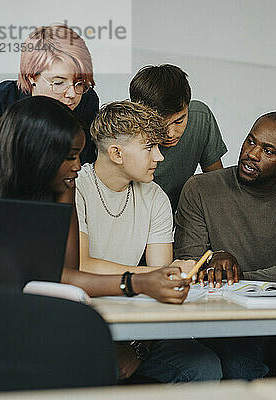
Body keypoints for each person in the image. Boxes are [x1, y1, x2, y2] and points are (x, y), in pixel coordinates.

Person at [0, 95, 197, 381]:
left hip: (37, 322)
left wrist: (140, 282)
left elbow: (67, 276)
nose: (78, 165)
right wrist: (140, 281)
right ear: (35, 151)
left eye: (79, 154)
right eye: (70, 156)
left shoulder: (64, 186)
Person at [174, 110, 276, 379]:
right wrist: (214, 259)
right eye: (251, 141)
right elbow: (189, 262)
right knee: (241, 359)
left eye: (268, 151)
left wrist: (238, 279)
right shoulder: (200, 188)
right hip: (223, 321)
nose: (253, 154)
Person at [75, 100, 222, 383]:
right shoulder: (77, 186)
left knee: (203, 366)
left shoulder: (154, 197)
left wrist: (138, 349)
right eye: (149, 148)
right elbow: (82, 265)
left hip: (132, 325)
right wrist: (156, 276)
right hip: (80, 321)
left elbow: (161, 287)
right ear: (116, 153)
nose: (160, 157)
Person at [0, 24, 99, 163]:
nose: (72, 94)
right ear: (31, 76)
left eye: (79, 83)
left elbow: (84, 165)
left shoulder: (87, 100)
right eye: (59, 83)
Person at [129, 64, 227, 208]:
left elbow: (216, 184)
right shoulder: (123, 133)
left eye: (179, 120)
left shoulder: (200, 117)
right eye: (159, 124)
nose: (170, 134)